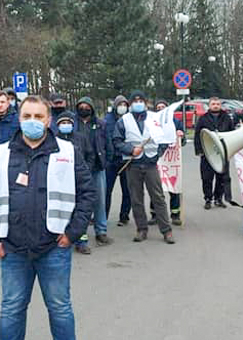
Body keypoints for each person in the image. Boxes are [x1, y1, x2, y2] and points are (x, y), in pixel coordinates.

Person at [0, 95, 94, 340]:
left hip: (53, 246)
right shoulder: (1, 154)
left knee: (59, 309)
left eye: (38, 116)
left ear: (48, 120)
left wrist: (72, 233)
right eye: (27, 115)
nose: (32, 121)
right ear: (19, 118)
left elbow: (86, 194)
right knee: (12, 309)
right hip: (13, 248)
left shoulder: (67, 152)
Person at [112, 90, 175, 244]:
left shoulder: (155, 118)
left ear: (146, 103)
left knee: (158, 197)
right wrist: (130, 149)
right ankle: (141, 229)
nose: (138, 103)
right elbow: (116, 141)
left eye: (141, 101)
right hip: (132, 164)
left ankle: (166, 230)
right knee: (136, 199)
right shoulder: (123, 121)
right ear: (131, 104)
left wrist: (157, 154)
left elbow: (165, 138)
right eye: (135, 101)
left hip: (151, 164)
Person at [75, 96, 113, 246]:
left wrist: (106, 162)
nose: (84, 109)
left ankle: (101, 231)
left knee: (100, 201)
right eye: (81, 106)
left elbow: (108, 144)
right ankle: (80, 234)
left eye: (87, 106)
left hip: (97, 168)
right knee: (80, 202)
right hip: (78, 169)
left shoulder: (101, 124)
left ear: (91, 108)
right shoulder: (73, 124)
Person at [56, 111, 95, 254]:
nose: (65, 125)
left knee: (80, 208)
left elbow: (90, 155)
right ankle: (61, 236)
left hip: (78, 179)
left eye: (68, 123)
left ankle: (81, 240)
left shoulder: (81, 138)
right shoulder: (54, 140)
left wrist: (86, 170)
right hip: (61, 180)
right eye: (62, 123)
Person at [194, 96, 235, 209]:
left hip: (223, 152)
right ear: (209, 105)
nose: (215, 106)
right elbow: (197, 135)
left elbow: (232, 134)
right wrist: (199, 151)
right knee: (207, 178)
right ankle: (208, 199)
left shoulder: (227, 118)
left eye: (217, 104)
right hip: (207, 153)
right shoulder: (203, 118)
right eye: (213, 104)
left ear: (220, 105)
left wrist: (230, 150)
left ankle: (218, 198)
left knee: (221, 178)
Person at [152, 99, 186, 226]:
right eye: (158, 107)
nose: (161, 109)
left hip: (172, 162)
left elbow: (182, 142)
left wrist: (180, 135)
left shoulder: (176, 122)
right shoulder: (152, 123)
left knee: (174, 188)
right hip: (157, 160)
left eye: (163, 107)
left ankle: (175, 214)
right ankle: (155, 214)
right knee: (155, 188)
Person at [104, 95, 132, 226]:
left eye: (125, 104)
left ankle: (124, 216)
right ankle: (102, 216)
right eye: (120, 104)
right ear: (115, 106)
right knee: (106, 190)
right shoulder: (107, 120)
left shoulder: (131, 119)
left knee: (128, 190)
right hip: (111, 160)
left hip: (127, 159)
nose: (123, 107)